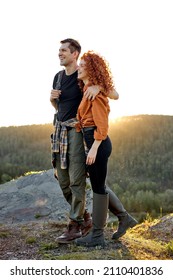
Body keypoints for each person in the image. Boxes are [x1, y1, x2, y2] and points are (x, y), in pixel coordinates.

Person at [50, 38, 118, 244]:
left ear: (74, 54)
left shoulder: (82, 79)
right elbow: (61, 108)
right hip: (59, 131)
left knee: (77, 179)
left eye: (63, 50)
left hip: (77, 133)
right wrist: (53, 99)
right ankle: (86, 217)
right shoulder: (58, 77)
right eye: (59, 50)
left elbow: (115, 94)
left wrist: (99, 87)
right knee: (63, 180)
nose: (59, 53)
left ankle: (75, 224)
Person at [75, 51, 138, 247]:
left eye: (82, 65)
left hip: (98, 144)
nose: (78, 68)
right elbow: (86, 120)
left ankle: (97, 235)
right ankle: (124, 218)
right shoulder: (87, 89)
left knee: (98, 189)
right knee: (99, 185)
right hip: (94, 143)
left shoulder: (96, 94)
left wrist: (93, 148)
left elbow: (101, 126)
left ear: (91, 70)